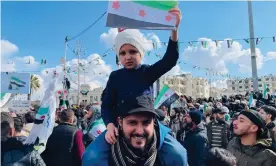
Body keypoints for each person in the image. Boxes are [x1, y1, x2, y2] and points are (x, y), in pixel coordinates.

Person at [83, 94, 187, 166]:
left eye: (146, 122)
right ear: (120, 122)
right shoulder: (96, 157)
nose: (140, 131)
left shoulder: (173, 155)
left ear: (154, 122)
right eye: (132, 122)